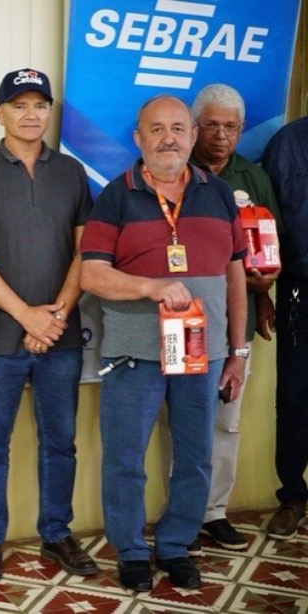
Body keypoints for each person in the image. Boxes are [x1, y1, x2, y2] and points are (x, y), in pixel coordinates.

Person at [80, 94, 247, 592]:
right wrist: (150, 287)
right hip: (135, 355)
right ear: (138, 138)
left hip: (204, 354)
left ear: (193, 136)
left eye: (177, 128)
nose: (168, 138)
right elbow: (91, 275)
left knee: (195, 457)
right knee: (125, 458)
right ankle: (131, 550)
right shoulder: (116, 196)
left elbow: (236, 278)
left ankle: (176, 544)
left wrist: (237, 352)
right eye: (156, 129)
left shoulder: (220, 195)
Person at [0, 68, 96, 584]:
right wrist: (26, 315)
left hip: (61, 336)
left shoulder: (72, 173)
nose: (31, 114)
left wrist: (55, 316)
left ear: (50, 111)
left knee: (60, 441)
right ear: (0, 113)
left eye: (40, 104)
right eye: (19, 105)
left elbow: (87, 251)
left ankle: (56, 532)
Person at [186, 83, 280, 554]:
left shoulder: (254, 178)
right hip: (185, 317)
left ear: (242, 129)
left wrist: (265, 293)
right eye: (212, 126)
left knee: (227, 418)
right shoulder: (175, 171)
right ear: (195, 126)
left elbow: (269, 249)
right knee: (183, 420)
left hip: (236, 323)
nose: (221, 136)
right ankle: (183, 514)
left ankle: (214, 512)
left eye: (231, 127)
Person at [262, 115, 308, 541]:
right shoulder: (287, 144)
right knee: (293, 398)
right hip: (299, 289)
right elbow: (265, 222)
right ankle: (292, 496)